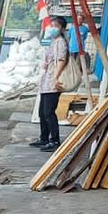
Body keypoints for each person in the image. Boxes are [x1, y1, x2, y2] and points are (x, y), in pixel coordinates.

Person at [31, 15, 70, 152]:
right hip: (46, 81)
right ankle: (44, 138)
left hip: (54, 82)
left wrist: (56, 77)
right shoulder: (52, 41)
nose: (52, 28)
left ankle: (54, 140)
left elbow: (61, 60)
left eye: (56, 26)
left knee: (49, 112)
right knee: (42, 112)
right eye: (52, 25)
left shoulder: (61, 42)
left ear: (62, 29)